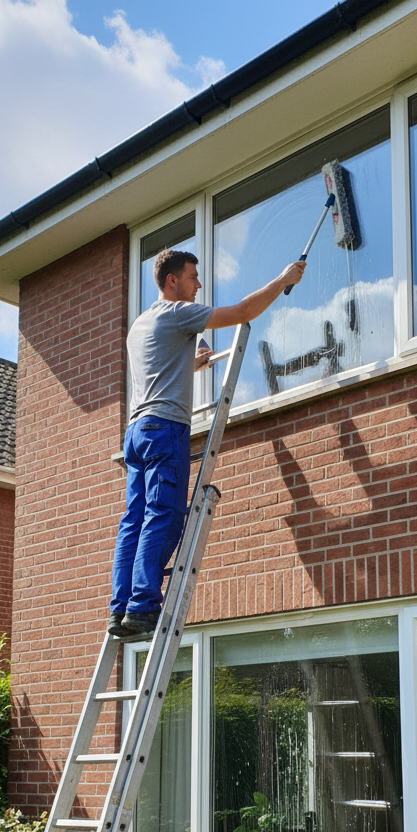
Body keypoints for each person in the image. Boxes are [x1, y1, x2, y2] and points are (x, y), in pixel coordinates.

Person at [108, 248, 306, 640]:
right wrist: (283, 280)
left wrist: (192, 363)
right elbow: (242, 312)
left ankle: (121, 608)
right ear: (172, 281)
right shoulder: (177, 313)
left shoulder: (141, 325)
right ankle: (144, 604)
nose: (198, 285)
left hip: (136, 431)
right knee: (163, 515)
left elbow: (159, 367)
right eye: (193, 277)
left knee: (133, 520)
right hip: (166, 429)